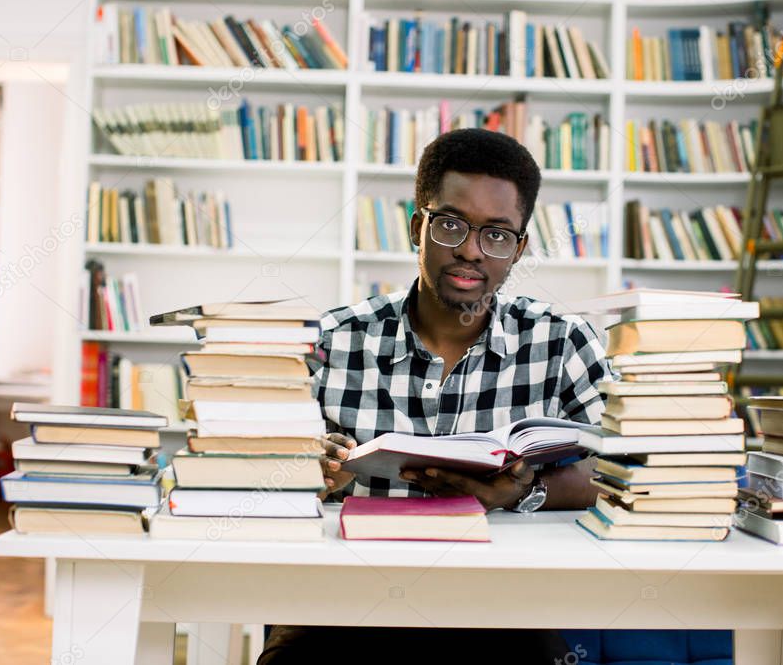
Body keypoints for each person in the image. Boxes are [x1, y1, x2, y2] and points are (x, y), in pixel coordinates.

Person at [258, 128, 612, 665]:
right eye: (451, 225)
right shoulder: (330, 342)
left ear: (518, 249)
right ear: (416, 227)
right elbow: (246, 475)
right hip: (341, 610)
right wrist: (307, 474)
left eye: (496, 234)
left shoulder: (563, 343)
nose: (471, 250)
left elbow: (625, 475)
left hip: (500, 614)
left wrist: (519, 492)